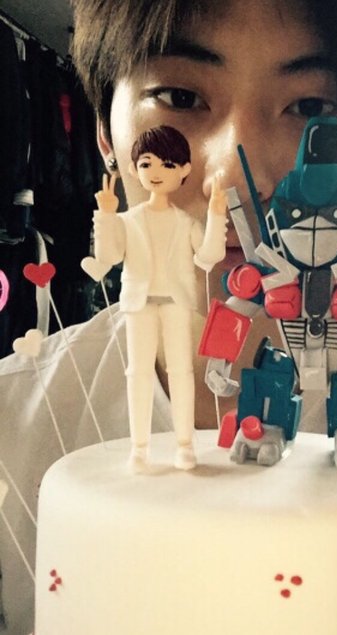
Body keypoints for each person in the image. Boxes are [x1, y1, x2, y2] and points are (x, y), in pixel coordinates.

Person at [0, 1, 337, 633]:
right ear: (103, 130)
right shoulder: (10, 421)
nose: (227, 171)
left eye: (311, 106)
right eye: (179, 97)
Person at [93, 125, 227, 472]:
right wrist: (106, 216)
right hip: (139, 302)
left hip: (176, 302)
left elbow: (209, 255)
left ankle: (184, 445)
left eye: (167, 165)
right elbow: (109, 256)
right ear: (134, 167)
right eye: (147, 163)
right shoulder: (128, 220)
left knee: (180, 371)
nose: (156, 172)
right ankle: (140, 448)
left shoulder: (186, 222)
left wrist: (216, 215)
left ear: (183, 170)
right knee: (138, 372)